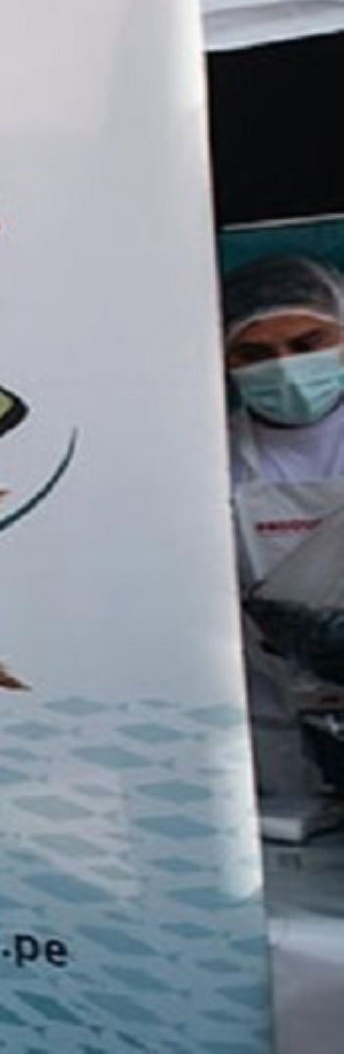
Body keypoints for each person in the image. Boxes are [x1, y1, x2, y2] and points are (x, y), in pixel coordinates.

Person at [222, 254, 344, 804]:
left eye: (307, 343)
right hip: (272, 721)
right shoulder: (210, 455)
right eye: (254, 354)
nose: (284, 367)